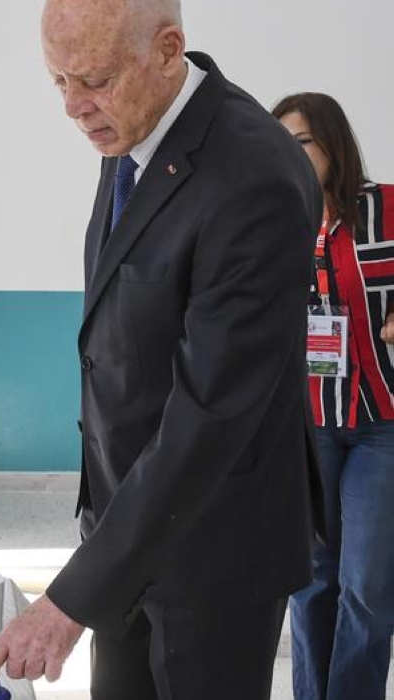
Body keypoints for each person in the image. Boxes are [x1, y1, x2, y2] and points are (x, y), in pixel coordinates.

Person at [0, 1, 323, 698]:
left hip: (215, 555)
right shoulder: (131, 130)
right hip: (127, 537)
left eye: (94, 79)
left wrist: (71, 598)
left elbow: (210, 413)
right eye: (59, 81)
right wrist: (102, 557)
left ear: (168, 50)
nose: (74, 106)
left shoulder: (254, 175)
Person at [272, 92, 394, 700]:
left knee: (367, 585)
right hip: (307, 420)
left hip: (382, 421)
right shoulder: (270, 221)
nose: (288, 155)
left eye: (301, 142)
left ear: (332, 144)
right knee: (311, 578)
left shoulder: (386, 207)